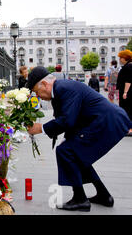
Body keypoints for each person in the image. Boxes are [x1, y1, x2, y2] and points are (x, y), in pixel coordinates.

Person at [26, 66, 132, 212]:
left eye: (37, 92)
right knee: (74, 152)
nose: (39, 97)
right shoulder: (59, 90)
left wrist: (41, 128)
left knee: (66, 151)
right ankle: (103, 195)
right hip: (103, 121)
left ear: (44, 84)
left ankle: (80, 199)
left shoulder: (63, 88)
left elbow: (67, 120)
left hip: (108, 121)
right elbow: (71, 120)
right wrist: (67, 138)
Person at [117, 50, 132, 134]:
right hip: (127, 91)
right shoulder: (128, 66)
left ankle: (130, 129)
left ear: (125, 58)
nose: (120, 59)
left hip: (128, 92)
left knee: (127, 109)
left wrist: (125, 92)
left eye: (121, 58)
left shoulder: (128, 67)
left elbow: (128, 80)